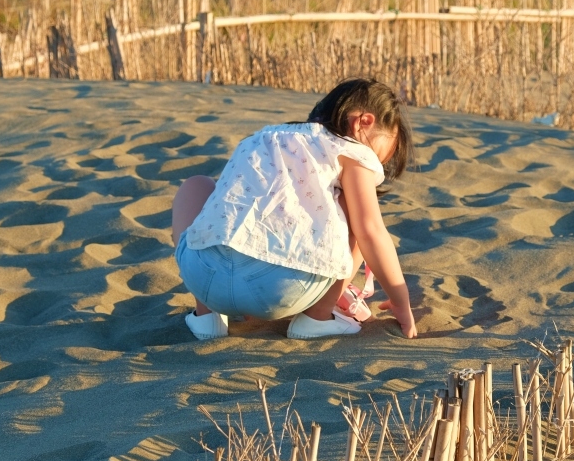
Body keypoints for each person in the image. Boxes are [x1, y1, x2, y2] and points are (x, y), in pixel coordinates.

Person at [171, 78, 417, 340]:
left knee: (196, 185)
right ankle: (316, 319)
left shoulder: (262, 136)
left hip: (204, 278)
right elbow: (370, 231)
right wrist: (400, 301)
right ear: (363, 122)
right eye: (379, 156)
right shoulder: (351, 150)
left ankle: (207, 317)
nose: (375, 164)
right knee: (356, 209)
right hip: (280, 289)